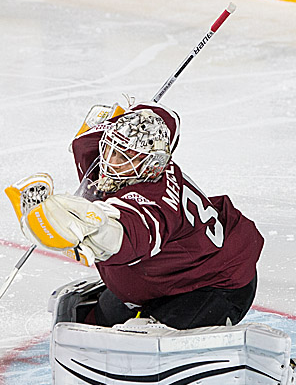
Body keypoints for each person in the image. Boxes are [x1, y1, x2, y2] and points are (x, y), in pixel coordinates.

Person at [20, 101, 264, 329]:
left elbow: (124, 234)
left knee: (153, 348)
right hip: (164, 279)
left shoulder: (156, 203)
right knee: (93, 325)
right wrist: (133, 113)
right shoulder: (117, 160)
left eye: (124, 157)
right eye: (110, 148)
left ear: (151, 164)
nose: (109, 162)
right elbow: (167, 121)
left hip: (214, 283)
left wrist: (86, 227)